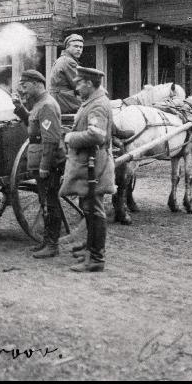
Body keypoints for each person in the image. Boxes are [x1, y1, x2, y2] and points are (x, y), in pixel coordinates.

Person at [59, 67, 116, 273]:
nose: (77, 86)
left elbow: (96, 135)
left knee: (95, 210)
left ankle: (97, 259)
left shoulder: (98, 105)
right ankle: (91, 251)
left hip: (94, 165)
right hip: (88, 163)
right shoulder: (92, 102)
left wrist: (69, 138)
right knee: (89, 208)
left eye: (80, 82)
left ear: (90, 84)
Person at [13, 70, 67, 259]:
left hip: (49, 162)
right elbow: (32, 124)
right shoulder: (39, 104)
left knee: (50, 202)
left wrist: (44, 166)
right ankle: (46, 241)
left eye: (25, 86)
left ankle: (52, 245)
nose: (23, 91)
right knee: (44, 201)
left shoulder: (47, 105)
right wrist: (20, 108)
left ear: (38, 84)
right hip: (40, 159)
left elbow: (50, 140)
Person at [49, 34, 84, 114]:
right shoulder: (69, 61)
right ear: (67, 47)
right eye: (75, 46)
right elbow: (78, 86)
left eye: (81, 47)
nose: (79, 49)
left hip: (59, 99)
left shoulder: (62, 59)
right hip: (64, 100)